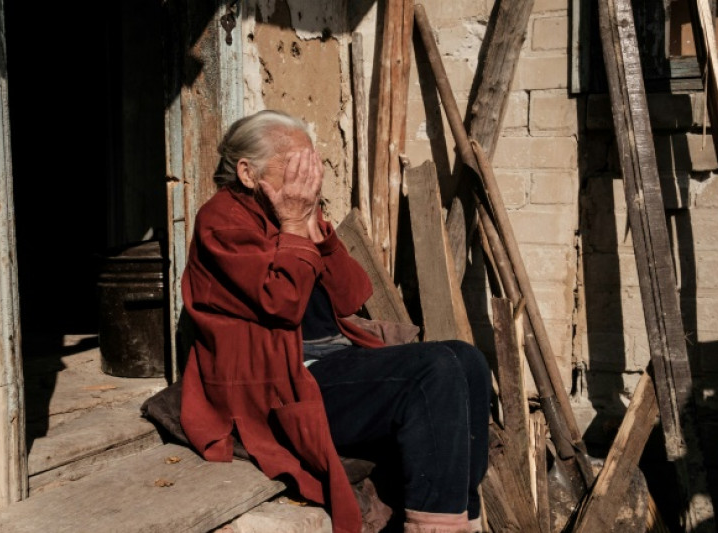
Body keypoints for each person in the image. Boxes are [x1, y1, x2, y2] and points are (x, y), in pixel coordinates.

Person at [178, 109, 491, 533]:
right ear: (248, 174)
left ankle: (459, 519)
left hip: (332, 363)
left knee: (467, 360)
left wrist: (314, 229)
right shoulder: (221, 220)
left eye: (311, 163)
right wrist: (292, 223)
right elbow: (282, 303)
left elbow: (352, 295)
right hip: (283, 384)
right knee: (435, 371)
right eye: (294, 165)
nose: (306, 177)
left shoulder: (293, 214)